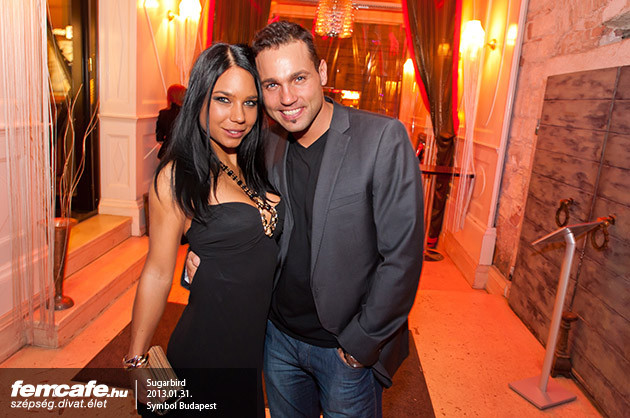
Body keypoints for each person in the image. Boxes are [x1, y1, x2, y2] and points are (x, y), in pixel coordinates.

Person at [187, 21, 424, 417]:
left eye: (298, 78)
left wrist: (360, 345)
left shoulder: (382, 139)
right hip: (277, 338)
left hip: (343, 349)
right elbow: (240, 217)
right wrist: (203, 259)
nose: (287, 98)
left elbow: (402, 258)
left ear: (322, 73)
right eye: (271, 85)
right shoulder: (264, 142)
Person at [125, 43, 282, 417]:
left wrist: (205, 267)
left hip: (249, 352)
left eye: (249, 102)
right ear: (199, 98)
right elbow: (157, 272)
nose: (238, 116)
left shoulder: (253, 161)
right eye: (223, 99)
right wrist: (135, 359)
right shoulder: (177, 175)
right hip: (206, 354)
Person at [155, 84, 186, 159]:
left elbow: (159, 138)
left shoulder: (164, 113)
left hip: (167, 151)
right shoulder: (188, 113)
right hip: (184, 152)